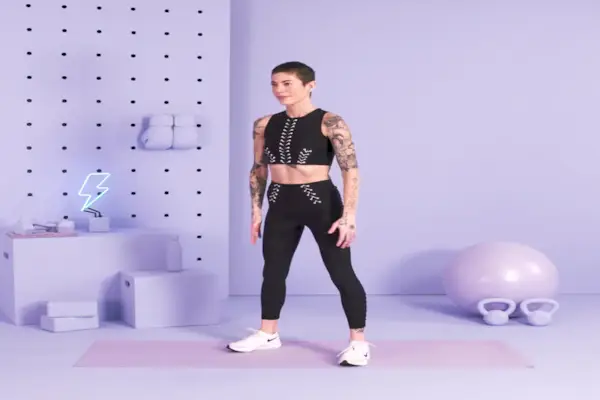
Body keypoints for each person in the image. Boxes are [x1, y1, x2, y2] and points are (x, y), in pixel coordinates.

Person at [227, 61, 371, 366]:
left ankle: (358, 343)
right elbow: (258, 168)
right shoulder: (264, 124)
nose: (279, 90)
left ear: (310, 85)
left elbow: (350, 170)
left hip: (321, 203)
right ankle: (268, 333)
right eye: (274, 84)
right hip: (280, 202)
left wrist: (349, 216)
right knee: (273, 270)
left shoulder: (330, 122)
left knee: (341, 272)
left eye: (287, 83)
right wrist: (256, 211)